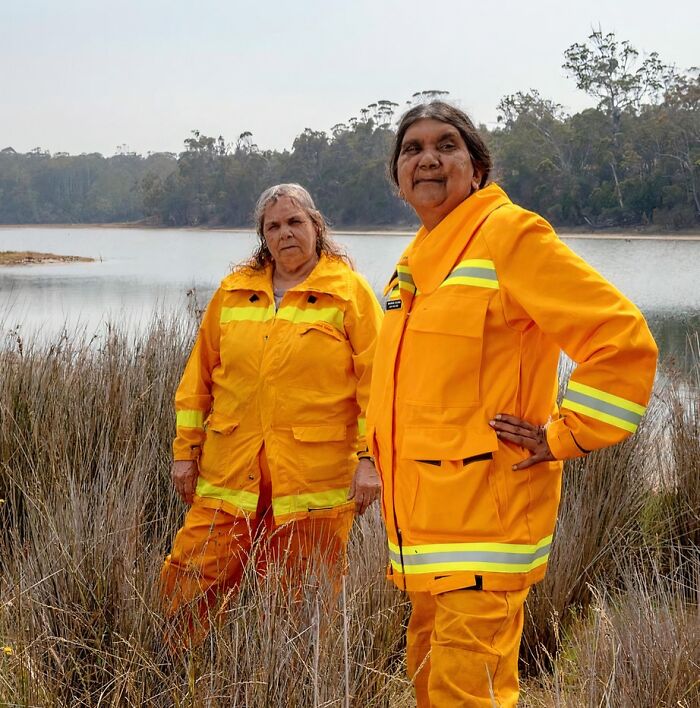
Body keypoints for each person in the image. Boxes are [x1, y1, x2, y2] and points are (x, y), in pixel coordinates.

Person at [365, 102, 658, 707]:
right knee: (430, 685)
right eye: (412, 148)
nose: (428, 158)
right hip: (422, 535)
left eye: (446, 145)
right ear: (397, 176)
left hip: (485, 529)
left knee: (463, 695)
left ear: (476, 167)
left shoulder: (510, 235)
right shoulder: (412, 263)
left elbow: (621, 340)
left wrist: (563, 435)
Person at [161, 183, 383, 645]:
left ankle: (288, 684)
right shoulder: (235, 291)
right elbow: (197, 379)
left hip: (313, 480)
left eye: (295, 222)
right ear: (263, 236)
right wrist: (186, 453)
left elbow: (378, 386)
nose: (285, 233)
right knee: (190, 580)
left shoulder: (349, 293)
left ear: (317, 226)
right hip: (229, 469)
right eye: (273, 226)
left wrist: (370, 461)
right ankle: (177, 673)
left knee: (298, 601)